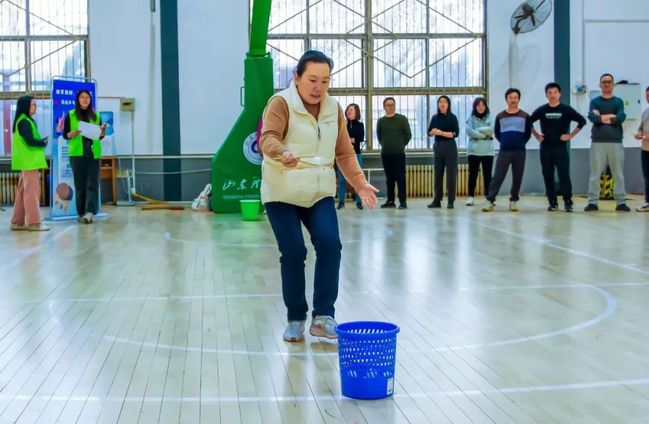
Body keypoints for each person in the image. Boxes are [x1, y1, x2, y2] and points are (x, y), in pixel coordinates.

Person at [259, 50, 378, 342]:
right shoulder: (280, 103)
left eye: (325, 81)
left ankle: (323, 317)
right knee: (294, 252)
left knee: (330, 244)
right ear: (297, 77)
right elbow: (267, 137)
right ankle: (296, 317)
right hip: (282, 191)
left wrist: (360, 183)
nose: (318, 87)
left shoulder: (333, 109)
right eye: (312, 80)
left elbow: (344, 153)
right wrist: (281, 152)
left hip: (319, 191)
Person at [530, 82, 586, 212]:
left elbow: (582, 121)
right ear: (546, 95)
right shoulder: (542, 110)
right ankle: (552, 202)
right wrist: (536, 135)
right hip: (546, 148)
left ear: (559, 94)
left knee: (564, 175)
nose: (552, 95)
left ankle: (568, 202)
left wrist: (570, 135)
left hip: (560, 148)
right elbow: (528, 122)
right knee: (548, 175)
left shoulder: (566, 109)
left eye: (555, 92)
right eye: (549, 93)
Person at [585, 74, 629, 212]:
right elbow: (592, 117)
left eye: (609, 81)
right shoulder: (595, 101)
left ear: (613, 84)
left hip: (616, 142)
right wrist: (610, 116)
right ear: (600, 85)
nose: (606, 84)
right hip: (597, 142)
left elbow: (620, 117)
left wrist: (601, 117)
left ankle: (621, 202)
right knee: (595, 175)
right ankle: (592, 202)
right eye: (604, 82)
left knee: (618, 174)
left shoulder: (618, 101)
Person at [482, 88, 532, 212]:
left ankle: (513, 201)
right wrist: (505, 142)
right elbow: (497, 133)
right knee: (498, 176)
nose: (513, 100)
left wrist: (520, 143)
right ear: (506, 100)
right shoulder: (500, 116)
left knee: (517, 176)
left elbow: (528, 133)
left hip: (520, 151)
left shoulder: (525, 116)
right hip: (504, 151)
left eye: (515, 98)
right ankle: (490, 200)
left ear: (518, 99)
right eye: (510, 98)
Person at [63, 90, 107, 223]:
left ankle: (90, 212)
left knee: (93, 183)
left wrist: (102, 131)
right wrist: (73, 133)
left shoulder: (96, 115)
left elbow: (100, 136)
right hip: (77, 153)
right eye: (82, 97)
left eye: (87, 97)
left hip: (93, 152)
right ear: (78, 100)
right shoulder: (71, 114)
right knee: (80, 184)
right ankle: (81, 212)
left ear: (90, 100)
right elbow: (65, 135)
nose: (85, 99)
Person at [10, 96, 49, 231]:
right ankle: (34, 223)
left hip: (26, 162)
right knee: (31, 194)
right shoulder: (24, 121)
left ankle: (17, 222)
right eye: (33, 105)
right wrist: (43, 142)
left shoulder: (22, 120)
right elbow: (30, 141)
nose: (35, 107)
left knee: (22, 192)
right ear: (25, 106)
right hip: (29, 162)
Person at [377, 97, 411, 209]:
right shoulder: (381, 121)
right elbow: (379, 136)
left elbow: (408, 135)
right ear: (384, 107)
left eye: (392, 105)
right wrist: (385, 144)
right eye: (388, 105)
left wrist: (401, 145)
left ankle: (403, 202)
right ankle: (390, 201)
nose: (391, 107)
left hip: (399, 153)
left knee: (400, 178)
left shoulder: (402, 119)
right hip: (386, 154)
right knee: (389, 179)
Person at [427, 95, 460, 209]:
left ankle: (451, 200)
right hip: (438, 147)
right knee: (438, 174)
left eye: (445, 102)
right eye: (440, 102)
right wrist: (433, 132)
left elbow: (455, 133)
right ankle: (437, 200)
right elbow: (429, 132)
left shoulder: (452, 117)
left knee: (451, 174)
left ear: (448, 104)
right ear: (438, 104)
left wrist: (440, 132)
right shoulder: (435, 118)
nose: (442, 104)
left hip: (450, 147)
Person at [465, 97, 494, 206]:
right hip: (473, 151)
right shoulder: (470, 118)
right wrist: (484, 136)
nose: (481, 107)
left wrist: (477, 130)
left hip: (488, 151)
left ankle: (488, 197)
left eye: (483, 105)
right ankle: (470, 197)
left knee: (487, 175)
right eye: (478, 105)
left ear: (486, 106)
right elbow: (469, 131)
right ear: (475, 107)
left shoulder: (491, 117)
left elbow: (491, 130)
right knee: (472, 175)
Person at [337, 103, 365, 210]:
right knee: (341, 179)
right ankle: (341, 201)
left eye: (351, 110)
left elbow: (359, 138)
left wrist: (348, 140)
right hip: (343, 155)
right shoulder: (342, 124)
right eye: (348, 110)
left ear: (356, 112)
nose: (349, 111)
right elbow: (339, 138)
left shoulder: (360, 125)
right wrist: (344, 126)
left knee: (358, 179)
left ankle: (359, 201)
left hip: (356, 154)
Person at [635, 86, 649, 212]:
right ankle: (648, 202)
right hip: (645, 149)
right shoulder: (645, 112)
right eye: (647, 95)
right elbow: (641, 127)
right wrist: (639, 134)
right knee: (647, 177)